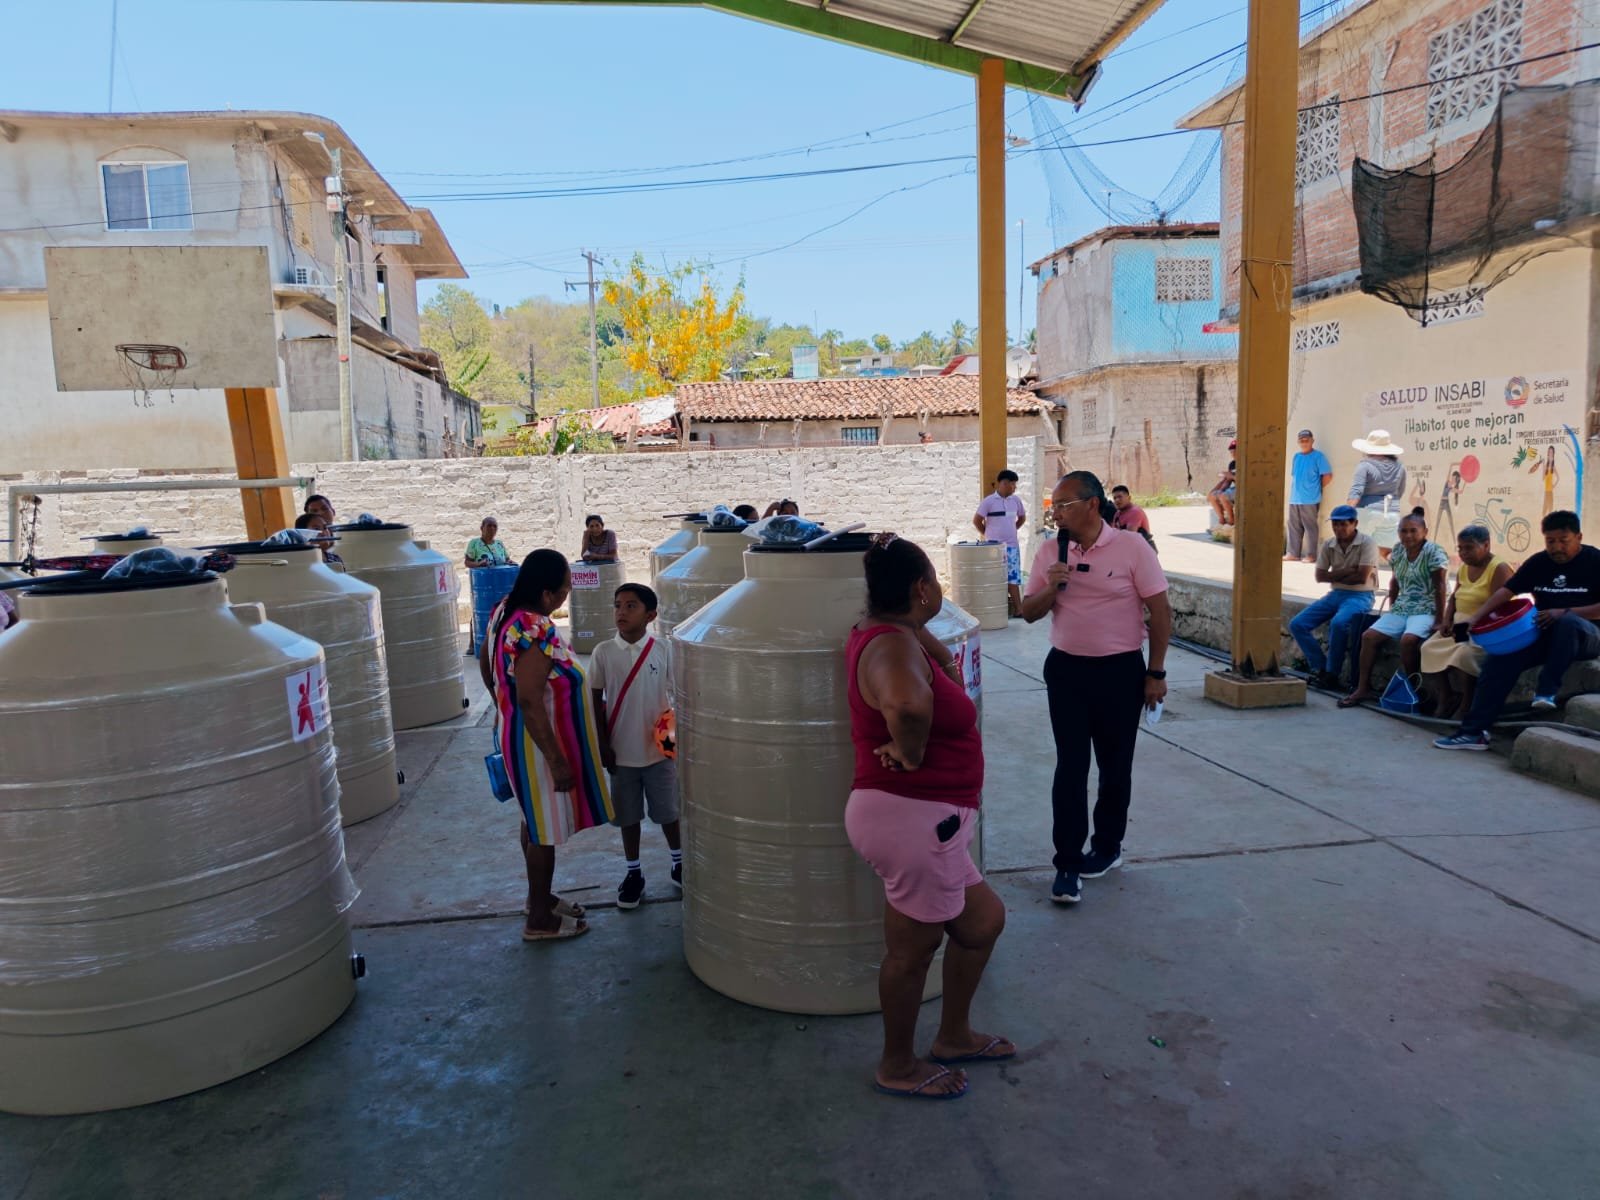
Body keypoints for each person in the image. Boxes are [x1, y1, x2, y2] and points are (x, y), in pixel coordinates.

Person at [846, 533, 1009, 1100]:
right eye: (934, 581)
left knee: (982, 921)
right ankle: (897, 1064)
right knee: (913, 953)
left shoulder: (892, 632)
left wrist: (932, 646)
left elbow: (921, 656)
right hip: (913, 820)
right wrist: (911, 752)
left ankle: (955, 1035)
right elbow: (909, 705)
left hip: (929, 823)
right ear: (921, 588)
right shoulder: (891, 647)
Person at [1023, 471, 1171, 906]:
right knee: (1070, 767)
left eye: (1064, 504)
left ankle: (1107, 848)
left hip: (1120, 671)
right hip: (1066, 671)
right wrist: (1053, 585)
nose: (1057, 513)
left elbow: (1159, 612)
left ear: (1091, 504)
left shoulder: (1131, 547)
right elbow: (1028, 612)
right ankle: (1067, 864)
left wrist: (1155, 673)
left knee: (1114, 765)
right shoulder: (1051, 550)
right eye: (1053, 506)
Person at [478, 549, 613, 941]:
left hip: (521, 736)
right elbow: (530, 699)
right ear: (548, 594)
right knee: (544, 830)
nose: (567, 595)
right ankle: (539, 919)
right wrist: (556, 760)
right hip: (538, 745)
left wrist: (502, 705)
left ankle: (538, 897)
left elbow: (489, 670)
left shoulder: (504, 611)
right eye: (566, 589)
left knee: (532, 819)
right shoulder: (533, 628)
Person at [1436, 511, 1600, 750]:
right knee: (1499, 659)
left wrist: (1564, 611)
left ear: (1578, 537)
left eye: (1564, 540)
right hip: (1545, 633)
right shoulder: (1539, 562)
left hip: (1587, 635)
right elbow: (1506, 592)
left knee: (1567, 622)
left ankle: (1546, 691)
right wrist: (1476, 617)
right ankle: (1474, 732)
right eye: (1550, 541)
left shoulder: (1594, 560)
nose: (1557, 547)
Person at [590, 583, 681, 910]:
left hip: (660, 752)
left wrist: (674, 741)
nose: (621, 612)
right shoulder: (603, 652)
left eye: (631, 606)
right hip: (621, 753)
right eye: (617, 605)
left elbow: (677, 696)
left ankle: (678, 861)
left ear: (651, 615)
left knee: (668, 812)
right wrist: (602, 744)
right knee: (628, 817)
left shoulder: (663, 649)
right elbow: (595, 701)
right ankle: (633, 873)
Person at [1339, 508, 1448, 708]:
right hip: (1403, 607)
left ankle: (1412, 689)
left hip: (1426, 608)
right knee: (1368, 637)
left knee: (1408, 640)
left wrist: (1440, 619)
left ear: (1425, 531)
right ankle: (1363, 687)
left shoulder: (1434, 551)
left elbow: (1440, 585)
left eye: (1413, 531)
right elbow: (1395, 582)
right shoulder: (1398, 550)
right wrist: (1393, 608)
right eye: (1403, 531)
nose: (1408, 535)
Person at [1419, 525, 1513, 721]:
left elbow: (1499, 605)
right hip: (1459, 625)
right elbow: (1454, 596)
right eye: (1460, 548)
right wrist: (1446, 620)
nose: (1463, 553)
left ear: (1486, 545)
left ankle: (1466, 704)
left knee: (1464, 654)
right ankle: (1446, 696)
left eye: (1468, 548)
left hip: (1486, 628)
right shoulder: (1464, 567)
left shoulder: (1499, 568)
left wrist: (1472, 622)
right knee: (1428, 648)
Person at [1288, 504, 1379, 690]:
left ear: (1355, 523)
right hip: (1336, 593)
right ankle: (1320, 667)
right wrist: (1348, 571)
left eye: (1343, 524)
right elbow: (1319, 577)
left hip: (1361, 595)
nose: (1338, 529)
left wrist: (1335, 574)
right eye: (1335, 525)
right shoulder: (1329, 544)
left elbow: (1362, 578)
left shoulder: (1367, 543)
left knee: (1339, 624)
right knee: (1297, 624)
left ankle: (1332, 673)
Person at [972, 469, 1028, 617]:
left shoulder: (1016, 501)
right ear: (1004, 483)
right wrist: (987, 534)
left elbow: (1022, 518)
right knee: (993, 578)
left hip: (1012, 547)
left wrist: (1012, 530)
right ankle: (993, 610)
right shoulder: (989, 501)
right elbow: (977, 520)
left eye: (1015, 485)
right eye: (1013, 484)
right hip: (993, 549)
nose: (1014, 488)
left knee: (1013, 577)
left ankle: (1019, 609)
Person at [1285, 429, 1332, 563]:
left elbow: (1328, 476)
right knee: (1293, 526)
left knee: (1310, 527)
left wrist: (1316, 489)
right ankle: (1293, 553)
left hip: (1310, 499)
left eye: (1307, 440)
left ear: (1312, 441)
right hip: (1294, 498)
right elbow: (1294, 476)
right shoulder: (1296, 457)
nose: (1304, 442)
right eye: (1301, 440)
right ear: (1298, 442)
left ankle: (1311, 555)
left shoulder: (1318, 456)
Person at [1347, 430, 1408, 509]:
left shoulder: (1364, 466)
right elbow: (1400, 491)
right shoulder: (1400, 466)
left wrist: (1347, 513)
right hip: (1392, 511)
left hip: (1368, 512)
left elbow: (1356, 492)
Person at [1207, 441, 1237, 527]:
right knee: (1213, 496)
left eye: (1235, 451)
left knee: (1223, 496)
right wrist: (1218, 490)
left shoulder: (1245, 462)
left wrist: (1231, 476)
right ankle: (1222, 519)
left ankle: (1232, 521)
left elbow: (1245, 481)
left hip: (1243, 488)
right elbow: (1227, 481)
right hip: (1234, 488)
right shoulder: (1232, 464)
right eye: (1231, 452)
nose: (1233, 454)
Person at [1532, 445, 1559, 519]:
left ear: (1553, 454)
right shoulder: (1547, 466)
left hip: (1550, 492)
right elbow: (1543, 478)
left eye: (1551, 452)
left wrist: (1554, 485)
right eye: (1549, 452)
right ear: (1547, 453)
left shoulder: (1553, 466)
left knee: (1549, 511)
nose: (1550, 453)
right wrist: (1543, 464)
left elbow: (1558, 478)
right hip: (1546, 491)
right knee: (1544, 512)